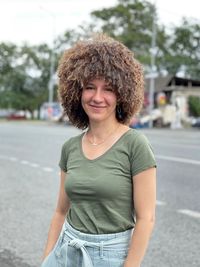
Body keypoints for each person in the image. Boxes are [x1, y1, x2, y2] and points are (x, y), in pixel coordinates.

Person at [41, 33, 156, 267]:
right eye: (90, 87)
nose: (97, 97)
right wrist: (47, 259)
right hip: (66, 250)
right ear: (77, 91)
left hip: (110, 257)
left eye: (108, 89)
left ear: (122, 93)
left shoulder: (135, 145)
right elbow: (60, 212)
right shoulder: (70, 147)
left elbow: (146, 218)